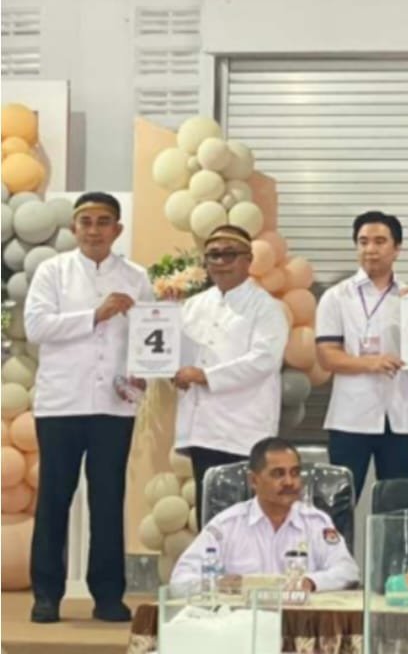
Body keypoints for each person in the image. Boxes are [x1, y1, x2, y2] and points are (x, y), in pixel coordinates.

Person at [23, 192, 153, 623]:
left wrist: (143, 371)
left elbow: (149, 335)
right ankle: (46, 595)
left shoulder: (137, 277)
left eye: (103, 222)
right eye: (86, 222)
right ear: (73, 228)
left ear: (118, 229)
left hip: (114, 406)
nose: (94, 230)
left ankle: (109, 596)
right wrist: (96, 314)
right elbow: (36, 326)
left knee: (109, 500)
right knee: (54, 498)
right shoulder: (52, 272)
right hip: (61, 403)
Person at [174, 224, 290, 526]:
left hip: (244, 430)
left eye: (229, 254)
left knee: (245, 522)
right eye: (213, 255)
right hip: (202, 429)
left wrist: (205, 376)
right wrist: (172, 372)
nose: (220, 262)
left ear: (248, 260)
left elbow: (264, 360)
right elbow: (177, 355)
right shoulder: (193, 306)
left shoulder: (266, 307)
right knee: (210, 522)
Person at [315, 211, 408, 502]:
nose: (370, 249)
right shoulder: (336, 297)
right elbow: (327, 357)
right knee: (338, 505)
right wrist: (371, 363)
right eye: (363, 242)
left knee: (397, 507)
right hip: (350, 418)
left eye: (380, 241)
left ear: (397, 248)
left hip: (399, 417)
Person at [170, 437, 359, 593]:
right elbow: (180, 580)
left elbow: (348, 571)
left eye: (295, 473)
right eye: (278, 474)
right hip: (242, 621)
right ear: (254, 480)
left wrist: (311, 582)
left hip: (300, 621)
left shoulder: (316, 522)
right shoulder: (226, 525)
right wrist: (218, 584)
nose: (289, 482)